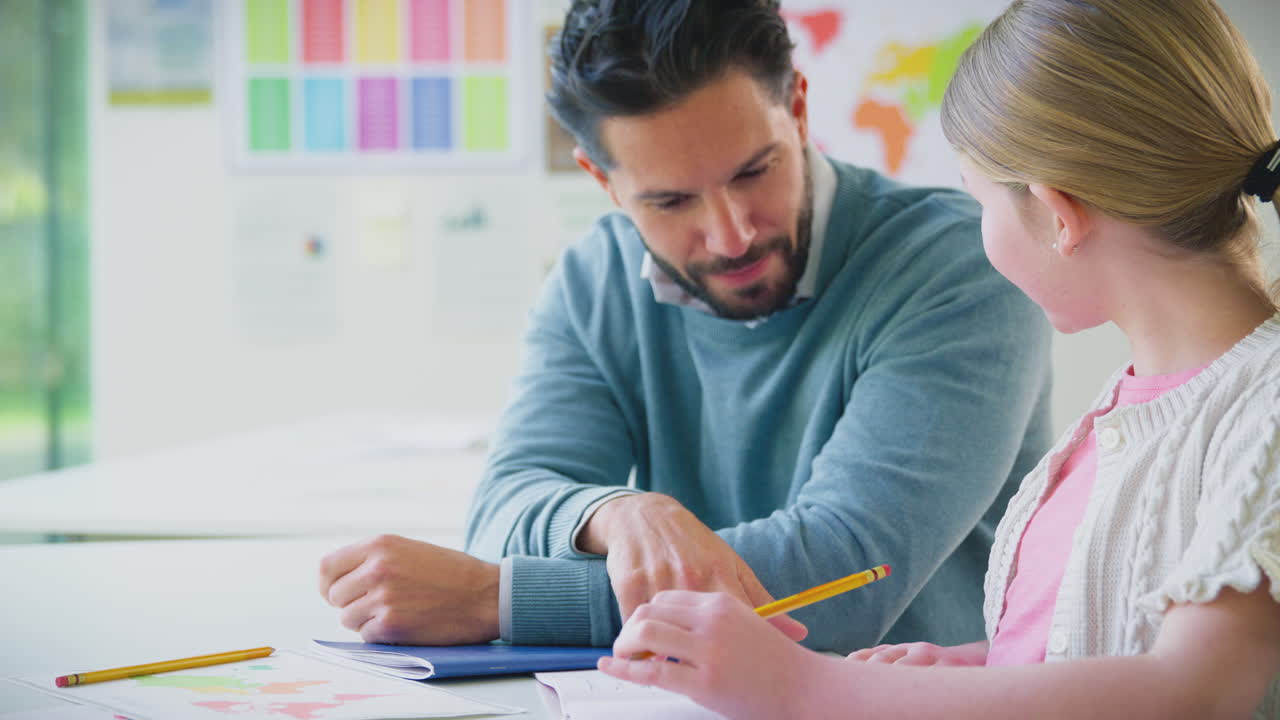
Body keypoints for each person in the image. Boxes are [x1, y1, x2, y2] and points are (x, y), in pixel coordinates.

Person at [596, 0, 1280, 717]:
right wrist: (963, 672)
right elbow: (1096, 647)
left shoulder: (1261, 410)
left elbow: (1196, 689)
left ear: (1057, 214)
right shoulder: (1129, 405)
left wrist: (808, 686)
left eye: (978, 199)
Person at [316, 0, 1053, 653]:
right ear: (602, 181)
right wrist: (617, 513)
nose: (730, 235)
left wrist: (493, 599)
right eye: (671, 202)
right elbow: (510, 501)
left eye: (753, 172)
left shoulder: (959, 266)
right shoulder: (593, 280)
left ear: (796, 109)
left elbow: (842, 579)